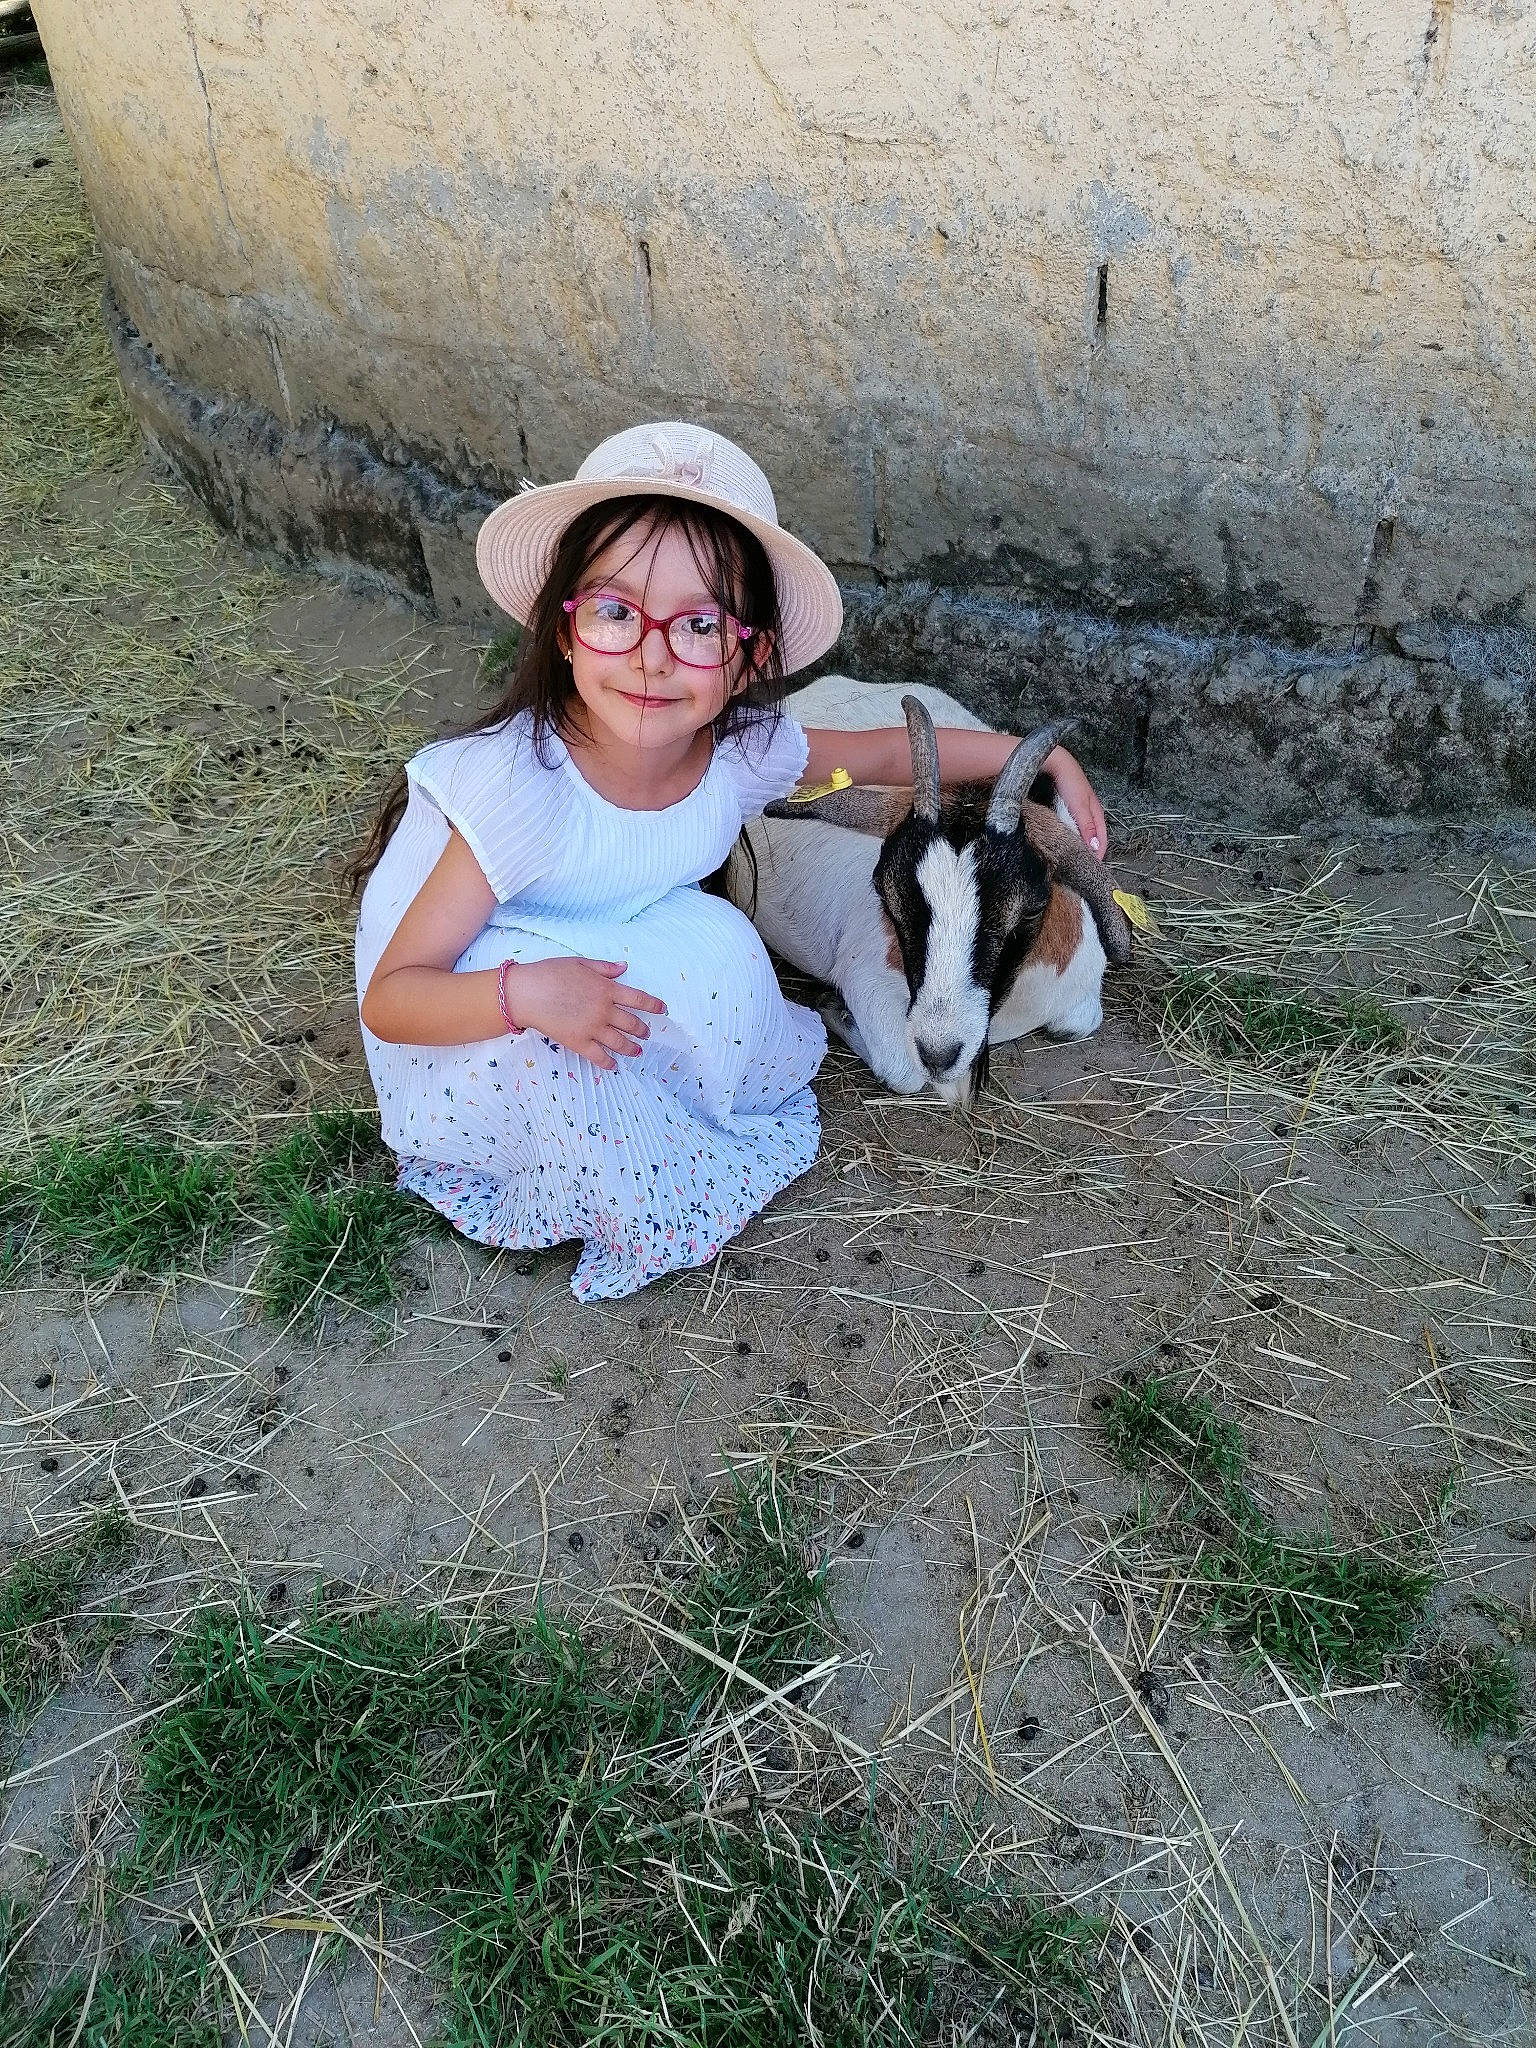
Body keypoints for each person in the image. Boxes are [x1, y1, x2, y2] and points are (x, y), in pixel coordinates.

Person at [350, 422, 1107, 1300]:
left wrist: (1042, 756)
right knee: (572, 1064)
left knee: (729, 949)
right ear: (561, 631)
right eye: (613, 611)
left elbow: (885, 755)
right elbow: (393, 998)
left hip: (599, 932)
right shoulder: (521, 789)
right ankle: (578, 1163)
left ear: (746, 656)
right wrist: (524, 994)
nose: (651, 654)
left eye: (699, 624)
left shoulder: (740, 753)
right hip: (478, 980)